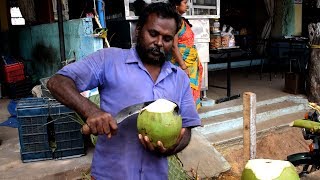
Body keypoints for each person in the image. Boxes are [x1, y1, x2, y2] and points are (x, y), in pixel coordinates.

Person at [47, 2, 201, 180]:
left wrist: (172, 147)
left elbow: (187, 129)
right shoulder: (109, 60)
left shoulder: (179, 78)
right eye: (153, 34)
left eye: (167, 38)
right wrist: (91, 111)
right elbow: (57, 82)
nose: (159, 43)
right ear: (138, 30)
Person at [168, 0, 203, 110]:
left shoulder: (181, 20)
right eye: (184, 2)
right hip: (181, 64)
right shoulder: (173, 21)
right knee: (182, 91)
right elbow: (174, 46)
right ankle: (184, 119)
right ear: (176, 5)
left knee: (189, 90)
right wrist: (183, 66)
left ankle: (190, 116)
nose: (187, 5)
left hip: (190, 62)